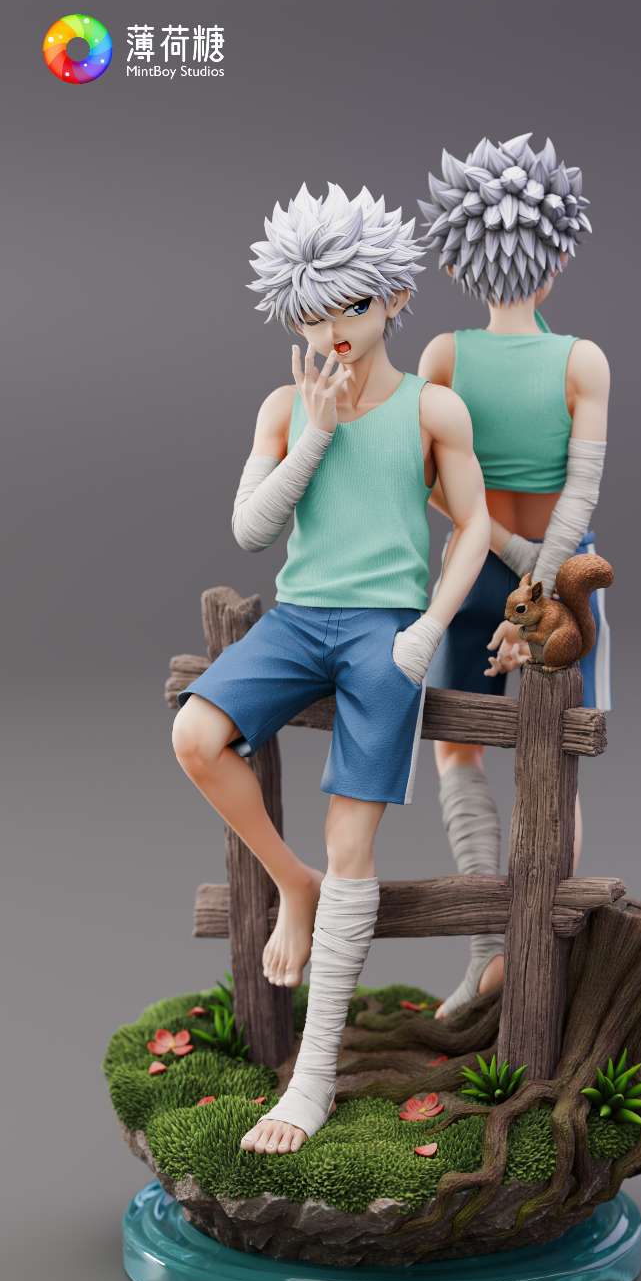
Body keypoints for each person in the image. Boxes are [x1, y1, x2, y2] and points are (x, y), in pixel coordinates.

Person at [171, 183, 490, 1152]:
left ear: (395, 298)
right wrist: (314, 429)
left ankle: (309, 1081)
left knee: (353, 841)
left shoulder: (433, 406)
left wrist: (429, 625)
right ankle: (290, 882)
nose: (333, 330)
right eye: (311, 316)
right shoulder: (284, 404)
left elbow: (474, 525)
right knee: (196, 734)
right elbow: (250, 528)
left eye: (350, 306)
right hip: (300, 618)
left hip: (384, 629)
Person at [416, 133, 611, 1020]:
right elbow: (582, 485)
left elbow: (430, 484)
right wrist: (538, 569)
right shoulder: (582, 359)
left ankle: (507, 953)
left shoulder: (443, 356)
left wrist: (508, 559)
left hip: (492, 575)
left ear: (460, 259)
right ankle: (513, 953)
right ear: (558, 257)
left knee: (476, 749)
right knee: (547, 756)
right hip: (554, 580)